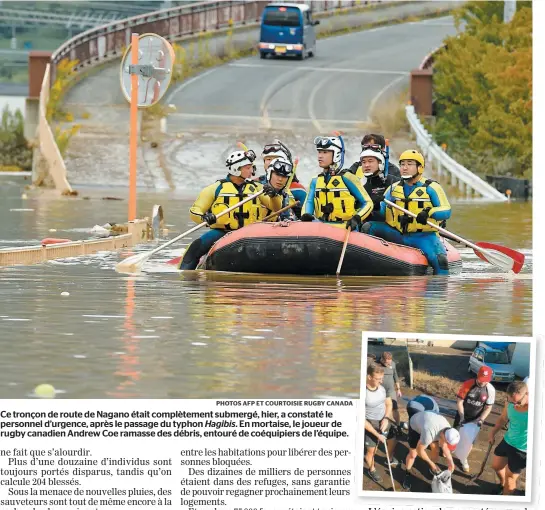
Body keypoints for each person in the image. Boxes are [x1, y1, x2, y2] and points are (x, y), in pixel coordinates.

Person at [179, 149, 283, 269]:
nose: (252, 171)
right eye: (248, 168)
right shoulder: (215, 189)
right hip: (222, 231)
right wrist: (204, 218)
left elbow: (276, 207)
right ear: (236, 169)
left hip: (251, 232)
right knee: (195, 248)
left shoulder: (257, 188)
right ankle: (186, 279)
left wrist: (274, 195)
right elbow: (195, 211)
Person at [361, 149, 452, 275]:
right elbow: (383, 212)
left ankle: (438, 291)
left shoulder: (432, 188)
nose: (404, 168)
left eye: (409, 164)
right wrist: (376, 206)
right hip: (397, 233)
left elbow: (446, 210)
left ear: (420, 168)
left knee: (441, 261)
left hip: (423, 237)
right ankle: (367, 266)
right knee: (368, 227)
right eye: (402, 164)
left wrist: (429, 213)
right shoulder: (393, 188)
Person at [302, 135, 373, 231]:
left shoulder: (347, 178)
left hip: (345, 227)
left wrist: (356, 218)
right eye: (319, 152)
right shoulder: (315, 181)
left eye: (325, 152)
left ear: (336, 154)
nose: (320, 156)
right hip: (321, 226)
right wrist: (306, 215)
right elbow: (309, 202)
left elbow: (368, 203)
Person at [488, 381, 528, 496]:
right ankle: (502, 484)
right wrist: (492, 432)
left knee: (510, 479)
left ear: (527, 394)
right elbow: (503, 418)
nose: (514, 405)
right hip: (507, 441)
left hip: (522, 450)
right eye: (511, 401)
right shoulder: (510, 402)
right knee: (496, 466)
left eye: (518, 402)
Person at [403, 410, 460, 490]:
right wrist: (431, 463)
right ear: (444, 436)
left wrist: (450, 461)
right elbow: (420, 451)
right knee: (413, 454)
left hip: (428, 422)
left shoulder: (448, 429)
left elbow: (444, 445)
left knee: (436, 449)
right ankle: (407, 473)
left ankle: (432, 469)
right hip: (415, 427)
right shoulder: (429, 434)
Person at [453, 366, 496, 473]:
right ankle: (449, 450)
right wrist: (462, 417)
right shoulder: (468, 384)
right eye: (481, 379)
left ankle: (463, 459)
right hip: (462, 414)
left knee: (469, 441)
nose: (482, 383)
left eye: (485, 381)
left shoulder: (490, 390)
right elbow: (459, 402)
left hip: (475, 420)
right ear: (477, 376)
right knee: (454, 435)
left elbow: (488, 407)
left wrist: (481, 419)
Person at [364, 363, 399, 483]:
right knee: (371, 452)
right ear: (369, 377)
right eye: (378, 379)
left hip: (383, 419)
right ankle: (372, 469)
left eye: (382, 378)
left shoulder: (382, 388)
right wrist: (377, 434)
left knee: (392, 440)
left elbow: (388, 404)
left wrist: (386, 418)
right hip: (370, 423)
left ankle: (388, 458)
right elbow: (361, 420)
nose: (381, 381)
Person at [260, 141, 306, 218]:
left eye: (276, 159)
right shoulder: (256, 185)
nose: (271, 162)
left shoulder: (297, 189)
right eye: (268, 159)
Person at [352, 147, 398, 221]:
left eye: (370, 161)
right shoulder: (361, 186)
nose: (366, 165)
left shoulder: (394, 182)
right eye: (363, 162)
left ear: (380, 163)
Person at [378, 352, 403, 434]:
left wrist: (398, 389)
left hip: (391, 390)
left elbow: (395, 376)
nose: (389, 362)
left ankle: (398, 426)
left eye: (390, 360)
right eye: (387, 361)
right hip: (380, 390)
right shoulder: (377, 365)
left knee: (394, 408)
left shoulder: (393, 364)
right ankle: (382, 427)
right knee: (382, 408)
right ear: (382, 359)